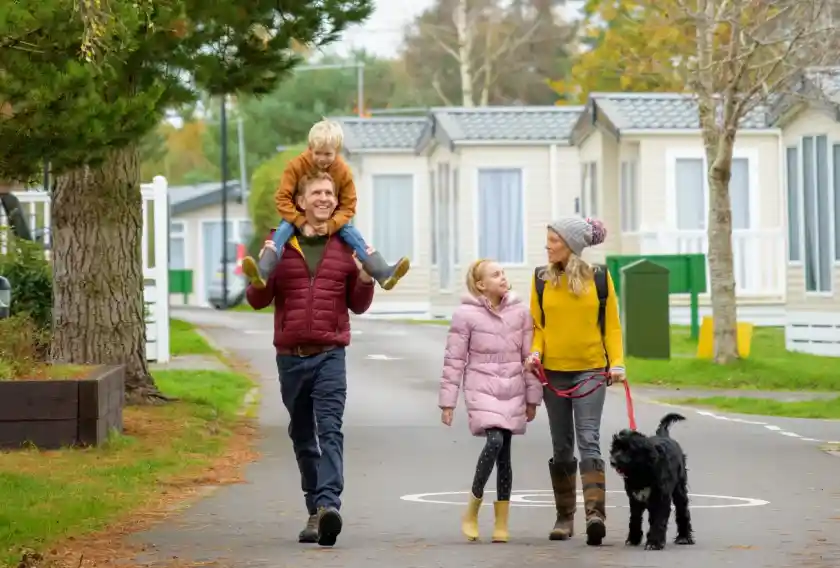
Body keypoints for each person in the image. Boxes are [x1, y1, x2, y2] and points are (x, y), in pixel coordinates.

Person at [245, 170, 376, 547]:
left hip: (330, 353)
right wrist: (258, 275)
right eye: (316, 192)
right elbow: (257, 301)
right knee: (303, 436)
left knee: (330, 430)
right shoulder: (279, 243)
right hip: (290, 357)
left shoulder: (345, 245)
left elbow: (357, 304)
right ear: (300, 201)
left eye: (329, 193)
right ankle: (313, 510)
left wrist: (365, 279)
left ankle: (328, 506)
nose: (323, 199)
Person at [524, 216, 626, 546]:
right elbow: (537, 328)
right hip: (553, 372)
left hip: (591, 369)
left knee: (588, 439)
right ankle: (564, 518)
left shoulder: (599, 278)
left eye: (553, 240)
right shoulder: (540, 279)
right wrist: (535, 354)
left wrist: (618, 363)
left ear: (571, 244)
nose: (547, 245)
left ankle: (595, 515)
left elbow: (611, 325)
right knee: (562, 444)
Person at [438, 259, 543, 543]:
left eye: (503, 273)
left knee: (505, 455)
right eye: (495, 275)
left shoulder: (521, 313)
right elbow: (454, 360)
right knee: (494, 441)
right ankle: (472, 508)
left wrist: (532, 398)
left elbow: (529, 358)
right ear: (481, 284)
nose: (503, 277)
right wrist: (448, 402)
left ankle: (501, 521)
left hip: (512, 386)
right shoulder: (465, 315)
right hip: (481, 386)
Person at [241, 119, 410, 292]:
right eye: (318, 153)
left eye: (328, 155)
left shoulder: (343, 171)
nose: (322, 159)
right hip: (298, 215)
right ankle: (263, 271)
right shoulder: (296, 166)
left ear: (336, 151)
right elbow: (282, 198)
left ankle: (382, 272)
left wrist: (331, 225)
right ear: (310, 148)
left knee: (353, 235)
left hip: (333, 218)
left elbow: (349, 206)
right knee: (281, 232)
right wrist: (301, 222)